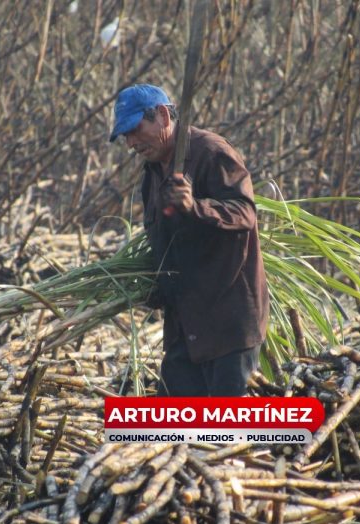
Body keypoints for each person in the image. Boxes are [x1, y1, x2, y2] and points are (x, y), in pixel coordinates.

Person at [109, 84, 269, 397]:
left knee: (227, 435)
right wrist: (156, 284)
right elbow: (165, 239)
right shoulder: (153, 174)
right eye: (125, 136)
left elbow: (245, 213)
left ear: (163, 116)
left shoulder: (211, 153)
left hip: (227, 323)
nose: (131, 143)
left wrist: (195, 207)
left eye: (134, 130)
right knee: (175, 429)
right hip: (185, 325)